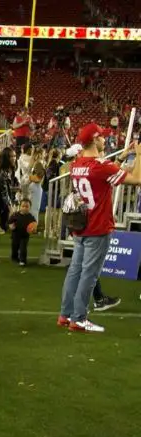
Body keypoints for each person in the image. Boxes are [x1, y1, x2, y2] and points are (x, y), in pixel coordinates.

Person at [57, 124, 141, 333]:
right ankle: (79, 318)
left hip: (81, 225)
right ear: (95, 140)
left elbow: (105, 171)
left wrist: (122, 157)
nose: (105, 140)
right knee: (89, 274)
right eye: (102, 137)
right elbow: (137, 179)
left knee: (75, 271)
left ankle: (65, 314)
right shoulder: (101, 166)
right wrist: (139, 155)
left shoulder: (77, 164)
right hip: (98, 226)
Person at [8, 199, 36, 266]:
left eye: (27, 206)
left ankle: (23, 260)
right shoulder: (15, 215)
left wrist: (33, 230)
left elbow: (34, 226)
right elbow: (9, 222)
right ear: (20, 207)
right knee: (14, 248)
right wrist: (11, 226)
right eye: (23, 206)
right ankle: (14, 257)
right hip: (15, 235)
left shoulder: (31, 217)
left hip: (25, 236)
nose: (24, 208)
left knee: (23, 248)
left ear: (30, 208)